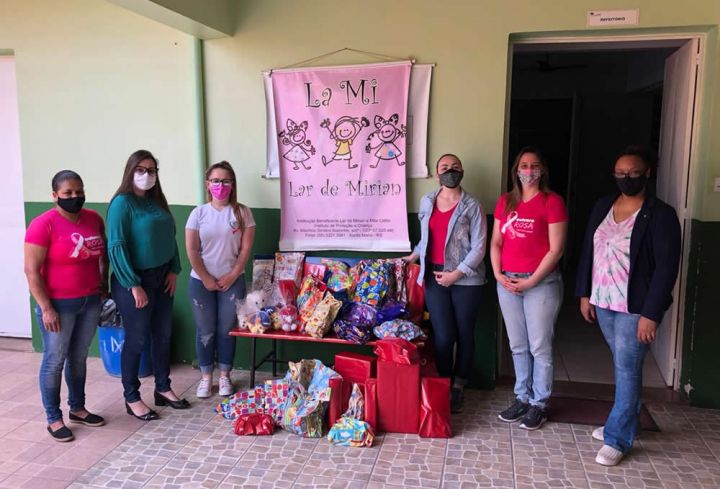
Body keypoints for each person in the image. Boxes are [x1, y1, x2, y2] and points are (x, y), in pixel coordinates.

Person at [576, 145, 680, 466]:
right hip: (604, 301)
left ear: (647, 173)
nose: (627, 178)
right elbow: (589, 250)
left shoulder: (661, 215)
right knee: (623, 363)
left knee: (627, 367)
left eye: (634, 172)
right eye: (620, 173)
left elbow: (666, 268)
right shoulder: (604, 205)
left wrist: (651, 313)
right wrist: (584, 293)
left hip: (635, 307)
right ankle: (624, 420)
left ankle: (618, 437)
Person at [24, 170, 107, 442]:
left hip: (89, 300)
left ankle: (78, 408)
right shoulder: (42, 224)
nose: (75, 197)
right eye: (68, 193)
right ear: (55, 195)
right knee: (54, 361)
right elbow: (31, 271)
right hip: (58, 305)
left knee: (79, 357)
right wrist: (46, 308)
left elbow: (101, 255)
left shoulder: (93, 219)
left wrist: (102, 286)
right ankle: (53, 417)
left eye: (79, 191)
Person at [107, 149, 188, 421]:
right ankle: (132, 397)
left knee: (163, 334)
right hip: (134, 281)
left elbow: (169, 238)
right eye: (140, 170)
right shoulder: (122, 203)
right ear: (130, 172)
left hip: (162, 277)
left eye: (151, 170)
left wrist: (174, 270)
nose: (146, 175)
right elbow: (116, 247)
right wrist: (133, 284)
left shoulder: (157, 201)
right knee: (137, 338)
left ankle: (163, 388)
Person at [491, 146, 567, 431]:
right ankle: (522, 398)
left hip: (541, 284)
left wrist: (532, 280)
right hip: (508, 281)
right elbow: (497, 242)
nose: (529, 170)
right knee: (518, 345)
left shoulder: (552, 202)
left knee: (539, 346)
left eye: (534, 165)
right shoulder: (506, 201)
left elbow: (556, 249)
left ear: (543, 170)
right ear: (516, 170)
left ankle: (540, 403)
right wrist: (498, 273)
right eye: (524, 165)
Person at [404, 154, 487, 414]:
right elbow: (426, 239)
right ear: (436, 174)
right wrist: (413, 256)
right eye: (444, 168)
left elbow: (480, 247)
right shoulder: (427, 201)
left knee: (464, 334)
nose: (450, 171)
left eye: (455, 167)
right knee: (443, 336)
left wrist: (457, 274)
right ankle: (443, 383)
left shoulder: (472, 205)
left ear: (462, 171)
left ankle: (458, 387)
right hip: (434, 278)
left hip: (467, 281)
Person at [186, 161, 256, 398]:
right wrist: (206, 278)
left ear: (233, 184)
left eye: (226, 180)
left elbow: (245, 249)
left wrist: (234, 274)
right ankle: (206, 378)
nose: (220, 185)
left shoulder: (242, 212)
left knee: (227, 329)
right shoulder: (198, 213)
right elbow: (192, 251)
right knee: (205, 330)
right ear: (208, 184)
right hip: (201, 283)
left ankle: (225, 376)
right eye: (216, 180)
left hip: (232, 281)